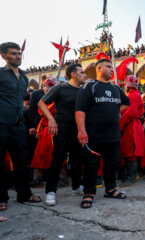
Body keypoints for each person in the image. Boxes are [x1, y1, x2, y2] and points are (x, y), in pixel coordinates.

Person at [75, 59, 130, 208]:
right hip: (93, 135)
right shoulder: (89, 86)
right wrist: (81, 130)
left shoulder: (115, 88)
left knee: (112, 163)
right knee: (91, 165)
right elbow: (79, 110)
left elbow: (126, 103)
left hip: (112, 134)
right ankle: (89, 193)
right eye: (108, 67)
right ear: (99, 68)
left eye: (112, 67)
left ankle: (110, 189)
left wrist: (114, 112)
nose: (112, 70)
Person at [0, 42, 42, 210]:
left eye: (19, 53)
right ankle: (1, 198)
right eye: (13, 54)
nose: (18, 56)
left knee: (22, 161)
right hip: (1, 124)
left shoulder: (24, 77)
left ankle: (24, 194)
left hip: (18, 126)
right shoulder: (1, 74)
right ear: (4, 56)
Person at [38, 64, 87, 206]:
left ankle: (77, 187)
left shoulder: (85, 91)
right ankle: (51, 191)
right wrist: (51, 119)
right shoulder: (60, 88)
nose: (85, 75)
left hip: (78, 129)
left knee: (77, 159)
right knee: (58, 159)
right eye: (82, 72)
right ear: (73, 74)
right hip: (62, 128)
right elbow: (41, 103)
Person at [30, 78, 57, 187]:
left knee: (55, 155)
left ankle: (62, 178)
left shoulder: (56, 101)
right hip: (44, 130)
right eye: (47, 86)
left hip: (52, 130)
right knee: (39, 155)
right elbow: (38, 115)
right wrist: (36, 129)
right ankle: (38, 179)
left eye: (51, 87)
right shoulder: (42, 100)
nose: (48, 89)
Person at [119, 75, 145, 187]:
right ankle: (132, 175)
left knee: (131, 151)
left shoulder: (133, 96)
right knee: (131, 150)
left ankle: (132, 177)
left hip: (131, 125)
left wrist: (119, 126)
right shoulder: (134, 95)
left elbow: (128, 114)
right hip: (133, 124)